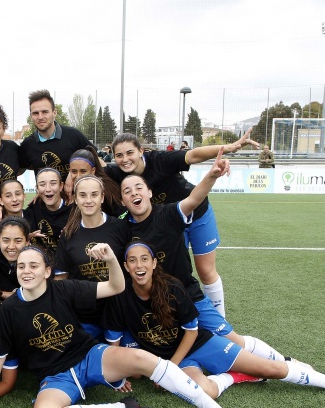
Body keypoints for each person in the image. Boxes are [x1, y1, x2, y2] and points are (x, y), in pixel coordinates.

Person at [0, 245, 253, 408]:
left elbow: (116, 286)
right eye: (21, 266)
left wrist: (112, 259)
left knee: (143, 359)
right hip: (56, 376)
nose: (27, 271)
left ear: (47, 271)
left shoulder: (63, 289)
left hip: (90, 357)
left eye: (34, 266)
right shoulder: (10, 309)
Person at [104, 242, 325, 404]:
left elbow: (191, 330)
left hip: (198, 345)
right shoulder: (120, 297)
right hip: (174, 359)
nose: (138, 265)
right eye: (132, 261)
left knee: (271, 369)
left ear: (153, 263)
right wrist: (119, 377)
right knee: (207, 392)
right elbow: (115, 344)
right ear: (126, 267)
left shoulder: (173, 288)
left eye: (144, 259)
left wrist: (170, 369)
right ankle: (234, 377)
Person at [117, 149, 293, 363]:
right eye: (127, 191)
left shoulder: (168, 214)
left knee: (232, 339)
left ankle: (286, 363)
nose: (134, 193)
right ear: (123, 201)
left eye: (139, 188)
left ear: (150, 193)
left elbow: (194, 198)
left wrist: (211, 175)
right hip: (156, 303)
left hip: (187, 295)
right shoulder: (123, 230)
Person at [107, 131, 261, 316]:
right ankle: (179, 317)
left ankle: (219, 318)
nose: (125, 159)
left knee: (205, 270)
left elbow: (193, 155)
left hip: (196, 212)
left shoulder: (160, 160)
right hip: (169, 223)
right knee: (173, 270)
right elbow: (90, 165)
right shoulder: (115, 173)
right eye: (119, 155)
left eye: (129, 152)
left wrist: (228, 148)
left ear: (141, 151)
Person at [55, 175, 131, 340]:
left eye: (94, 194)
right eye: (82, 195)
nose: (88, 200)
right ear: (75, 199)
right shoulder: (68, 235)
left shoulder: (120, 227)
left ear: (102, 197)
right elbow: (61, 280)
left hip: (119, 309)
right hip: (85, 314)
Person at [19, 89, 95, 180]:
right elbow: (20, 169)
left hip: (76, 194)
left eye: (45, 112)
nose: (40, 117)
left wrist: (72, 175)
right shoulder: (27, 145)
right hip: (47, 194)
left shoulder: (73, 135)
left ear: (54, 112)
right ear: (31, 116)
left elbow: (96, 160)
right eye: (35, 113)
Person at [25, 168, 72, 254]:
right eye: (42, 185)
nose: (48, 189)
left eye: (53, 183)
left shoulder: (73, 210)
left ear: (61, 186)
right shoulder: (33, 209)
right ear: (37, 188)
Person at [67, 147, 124, 216]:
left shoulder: (106, 191)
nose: (78, 176)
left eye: (83, 171)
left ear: (93, 171)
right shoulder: (67, 191)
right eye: (74, 171)